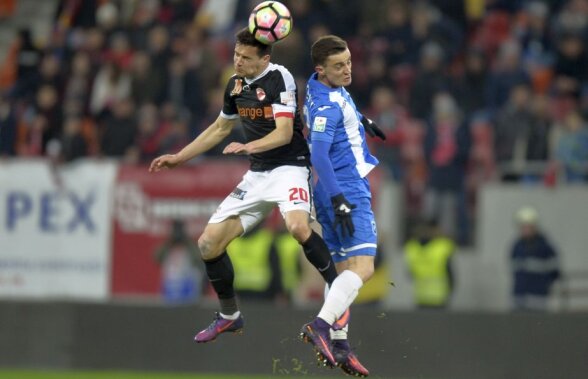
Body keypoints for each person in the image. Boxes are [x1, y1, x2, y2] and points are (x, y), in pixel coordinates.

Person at [149, 28, 339, 343]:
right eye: (236, 54)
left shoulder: (281, 79)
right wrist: (180, 157)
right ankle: (229, 316)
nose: (238, 61)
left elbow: (282, 133)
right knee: (208, 244)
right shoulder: (235, 85)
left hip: (289, 167)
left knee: (298, 228)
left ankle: (337, 292)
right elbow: (221, 127)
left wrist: (247, 147)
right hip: (258, 175)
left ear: (265, 58)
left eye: (246, 57)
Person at [301, 35, 385, 378]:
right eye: (339, 66)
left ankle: (340, 342)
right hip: (345, 188)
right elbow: (319, 153)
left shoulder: (320, 85)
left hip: (330, 190)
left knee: (340, 272)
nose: (347, 69)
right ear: (322, 69)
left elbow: (338, 102)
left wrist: (361, 120)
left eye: (349, 61)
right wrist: (339, 200)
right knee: (363, 268)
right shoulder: (326, 107)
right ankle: (320, 326)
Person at [510, 206, 560, 311]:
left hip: (538, 298)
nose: (525, 230)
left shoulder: (545, 247)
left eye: (527, 226)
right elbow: (514, 270)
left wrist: (543, 286)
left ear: (534, 226)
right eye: (522, 227)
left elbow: (555, 272)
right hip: (520, 297)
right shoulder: (517, 246)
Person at [404, 219, 455, 309]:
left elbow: (409, 273)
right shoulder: (443, 247)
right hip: (439, 297)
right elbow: (450, 273)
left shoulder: (412, 248)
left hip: (420, 296)